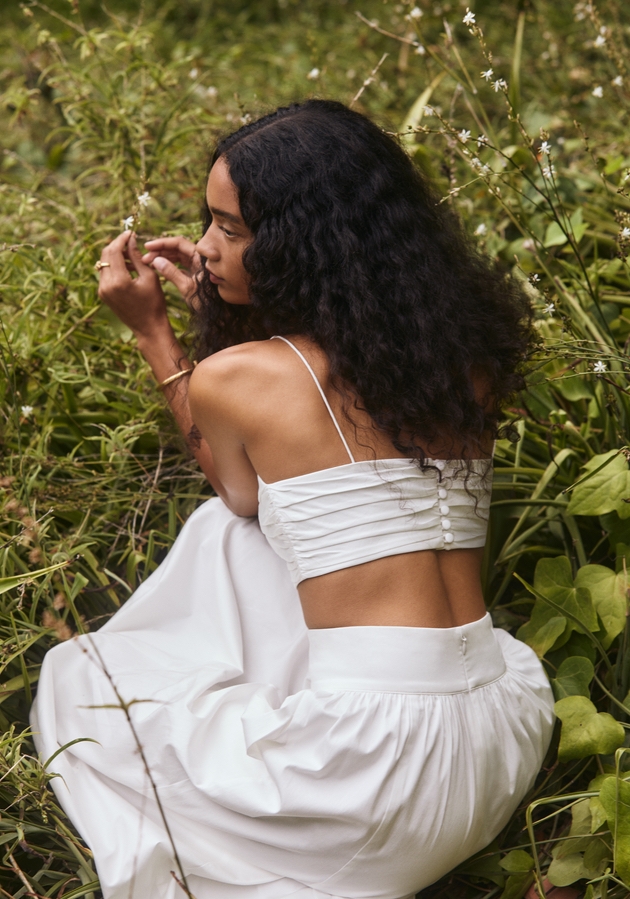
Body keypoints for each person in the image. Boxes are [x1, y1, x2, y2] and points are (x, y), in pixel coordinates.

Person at [32, 100, 554, 899]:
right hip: (499, 735)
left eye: (230, 230)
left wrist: (156, 333)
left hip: (373, 780)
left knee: (81, 680)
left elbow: (237, 485)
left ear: (303, 245)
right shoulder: (460, 353)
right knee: (264, 533)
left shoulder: (242, 379)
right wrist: (224, 299)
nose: (206, 247)